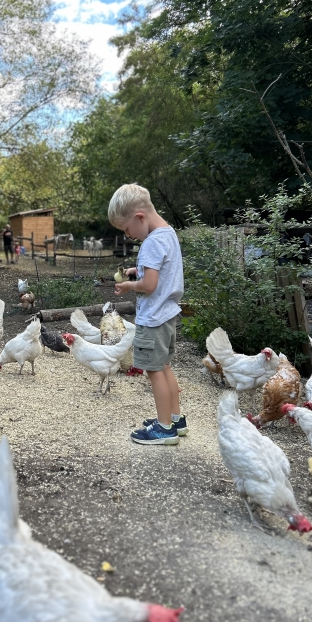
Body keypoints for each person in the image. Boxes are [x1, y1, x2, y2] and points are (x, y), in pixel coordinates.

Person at [108, 183, 187, 445]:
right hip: (167, 314)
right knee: (164, 366)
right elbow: (160, 270)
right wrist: (136, 271)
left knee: (154, 371)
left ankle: (164, 429)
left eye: (127, 229)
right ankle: (175, 419)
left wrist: (130, 286)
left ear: (140, 217)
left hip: (153, 318)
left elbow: (150, 285)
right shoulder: (168, 234)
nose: (129, 235)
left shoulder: (151, 243)